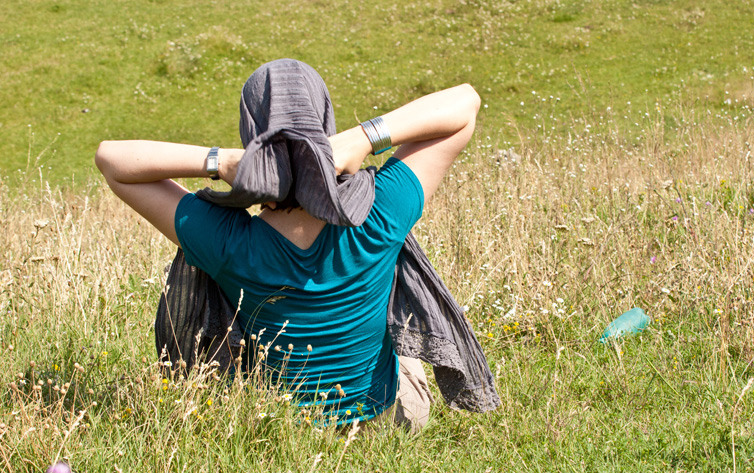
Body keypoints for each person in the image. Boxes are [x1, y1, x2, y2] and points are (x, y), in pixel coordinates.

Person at [95, 60, 481, 431]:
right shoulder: (381, 209)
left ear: (251, 133)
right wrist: (362, 138)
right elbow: (465, 103)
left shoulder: (226, 239)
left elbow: (112, 161)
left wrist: (223, 161)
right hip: (388, 421)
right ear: (325, 122)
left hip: (281, 428)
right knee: (404, 340)